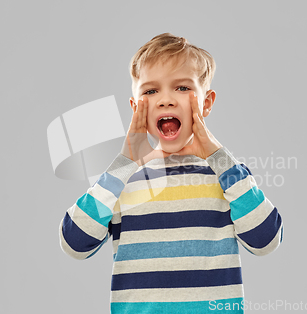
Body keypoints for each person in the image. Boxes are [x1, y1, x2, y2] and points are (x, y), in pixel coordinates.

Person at [59, 33, 283, 314]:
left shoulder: (227, 176)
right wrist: (124, 162)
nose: (165, 100)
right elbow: (74, 242)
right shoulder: (121, 180)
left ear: (207, 102)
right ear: (135, 108)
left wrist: (219, 158)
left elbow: (266, 240)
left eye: (181, 87)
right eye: (150, 91)